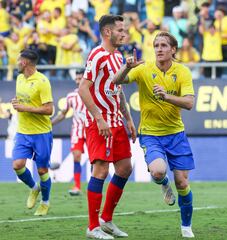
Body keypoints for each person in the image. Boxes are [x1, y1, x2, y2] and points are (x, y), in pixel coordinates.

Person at [113, 31, 196, 238]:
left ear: (173, 50)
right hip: (150, 134)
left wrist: (166, 96)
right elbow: (116, 81)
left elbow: (189, 103)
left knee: (183, 183)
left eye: (164, 45)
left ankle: (186, 226)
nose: (159, 49)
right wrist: (126, 67)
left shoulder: (182, 72)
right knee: (158, 171)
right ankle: (162, 182)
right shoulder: (143, 68)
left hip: (176, 134)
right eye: (156, 45)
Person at [79, 15, 137, 240]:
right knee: (101, 170)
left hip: (116, 121)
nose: (124, 33)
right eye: (120, 30)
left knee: (124, 168)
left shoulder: (117, 56)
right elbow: (84, 88)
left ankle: (106, 219)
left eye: (124, 30)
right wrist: (99, 118)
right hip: (99, 123)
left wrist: (128, 119)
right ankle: (92, 227)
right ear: (107, 32)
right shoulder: (97, 54)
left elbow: (117, 89)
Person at [11, 49, 53, 216]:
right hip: (23, 132)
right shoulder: (19, 78)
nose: (16, 62)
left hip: (41, 133)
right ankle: (34, 188)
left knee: (42, 171)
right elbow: (23, 101)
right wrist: (16, 103)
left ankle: (45, 202)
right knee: (17, 165)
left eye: (18, 59)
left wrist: (24, 108)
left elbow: (49, 109)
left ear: (25, 62)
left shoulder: (43, 82)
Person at [51, 69, 87, 196]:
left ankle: (95, 185)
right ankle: (77, 186)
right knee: (76, 156)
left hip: (92, 129)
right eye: (76, 79)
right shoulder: (71, 96)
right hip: (77, 130)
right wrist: (51, 123)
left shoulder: (94, 93)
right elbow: (63, 114)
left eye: (80, 78)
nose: (78, 81)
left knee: (95, 159)